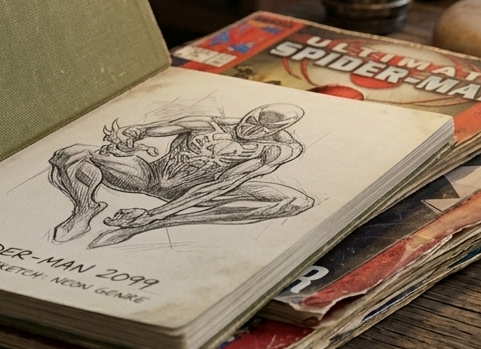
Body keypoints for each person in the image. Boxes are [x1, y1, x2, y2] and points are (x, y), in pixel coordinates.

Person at [48, 103, 314, 247]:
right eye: (250, 120)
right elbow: (145, 130)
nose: (250, 129)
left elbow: (220, 186)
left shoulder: (278, 150)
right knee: (74, 153)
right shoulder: (209, 124)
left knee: (299, 202)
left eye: (261, 128)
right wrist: (130, 136)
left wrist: (154, 215)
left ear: (281, 128)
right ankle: (84, 208)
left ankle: (161, 224)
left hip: (194, 192)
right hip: (150, 177)